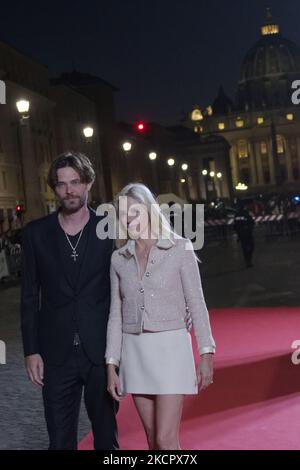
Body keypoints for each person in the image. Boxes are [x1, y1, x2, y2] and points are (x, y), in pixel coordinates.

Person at [105, 183, 216, 450]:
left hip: (171, 351)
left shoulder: (180, 248)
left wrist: (206, 354)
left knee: (166, 440)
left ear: (150, 210)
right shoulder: (118, 259)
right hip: (135, 353)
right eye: (122, 214)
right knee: (153, 439)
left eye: (135, 211)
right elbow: (115, 314)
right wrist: (111, 364)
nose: (128, 218)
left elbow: (197, 304)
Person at [20, 151, 118, 450]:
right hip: (55, 354)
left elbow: (129, 281)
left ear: (88, 183)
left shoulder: (109, 229)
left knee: (106, 440)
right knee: (59, 441)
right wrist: (31, 350)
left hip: (100, 353)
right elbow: (28, 296)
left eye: (75, 182)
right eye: (62, 184)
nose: (69, 190)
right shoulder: (36, 233)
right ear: (54, 188)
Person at [234, 202, 255, 268]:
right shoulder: (246, 213)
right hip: (246, 233)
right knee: (249, 247)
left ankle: (248, 261)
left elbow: (235, 225)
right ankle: (248, 261)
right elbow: (252, 222)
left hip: (244, 233)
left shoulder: (237, 214)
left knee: (247, 248)